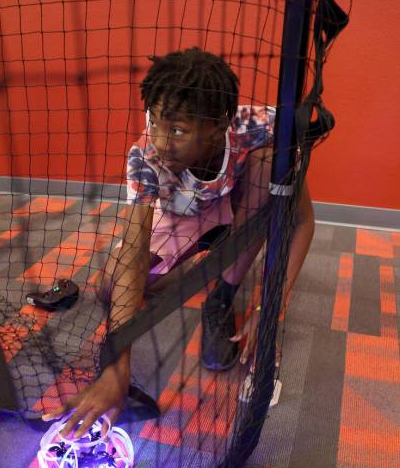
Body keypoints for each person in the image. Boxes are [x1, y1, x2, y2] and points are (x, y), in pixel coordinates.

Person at [42, 47, 314, 437]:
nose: (161, 139)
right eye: (154, 121)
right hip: (176, 218)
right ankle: (202, 261)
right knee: (110, 288)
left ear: (218, 127)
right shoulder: (146, 158)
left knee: (269, 167)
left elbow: (302, 222)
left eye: (178, 130)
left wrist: (270, 307)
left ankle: (222, 292)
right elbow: (134, 250)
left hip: (231, 208)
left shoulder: (258, 127)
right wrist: (115, 369)